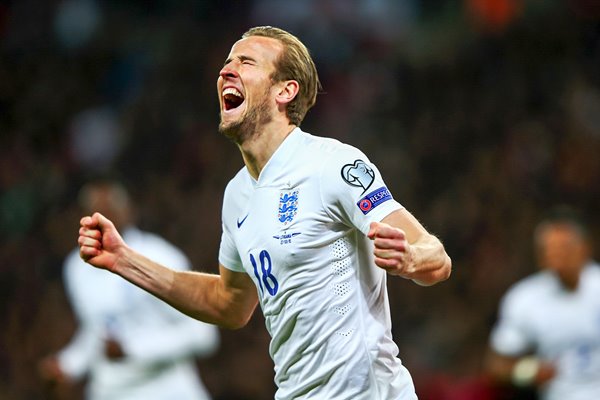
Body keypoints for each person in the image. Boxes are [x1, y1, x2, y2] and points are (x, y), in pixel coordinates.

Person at [77, 26, 452, 399]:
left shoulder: (332, 164)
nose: (226, 70)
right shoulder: (237, 195)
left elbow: (437, 260)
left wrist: (410, 257)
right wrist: (124, 260)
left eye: (246, 62)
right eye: (226, 63)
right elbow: (228, 303)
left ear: (284, 91)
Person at [40, 179, 219, 400]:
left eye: (109, 209)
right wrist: (68, 365)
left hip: (166, 388)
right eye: (93, 210)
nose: (101, 218)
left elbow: (202, 335)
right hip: (110, 391)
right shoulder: (77, 268)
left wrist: (133, 349)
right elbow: (97, 331)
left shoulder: (160, 257)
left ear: (129, 211)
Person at [486, 207, 600, 399]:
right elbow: (496, 367)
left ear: (584, 247)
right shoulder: (524, 299)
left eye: (564, 248)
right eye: (549, 250)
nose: (557, 257)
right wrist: (528, 372)